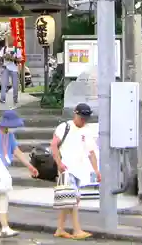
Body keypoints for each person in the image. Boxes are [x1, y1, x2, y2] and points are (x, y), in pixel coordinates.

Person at [0, 110, 39, 238]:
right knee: (2, 195)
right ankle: (5, 227)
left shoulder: (9, 135)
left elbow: (16, 151)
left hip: (3, 168)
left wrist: (29, 166)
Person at [50, 103, 101, 240]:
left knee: (70, 200)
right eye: (81, 117)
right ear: (75, 114)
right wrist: (59, 163)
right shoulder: (65, 127)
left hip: (79, 169)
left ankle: (60, 229)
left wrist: (96, 170)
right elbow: (54, 144)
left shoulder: (87, 130)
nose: (83, 120)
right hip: (66, 168)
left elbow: (91, 152)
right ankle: (77, 230)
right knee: (73, 199)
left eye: (86, 118)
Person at [0, 35, 22, 105]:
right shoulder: (4, 49)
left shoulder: (16, 49)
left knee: (15, 85)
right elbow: (0, 57)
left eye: (11, 40)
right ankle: (2, 99)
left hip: (14, 69)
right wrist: (4, 57)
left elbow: (20, 59)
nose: (10, 41)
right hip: (6, 68)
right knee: (4, 84)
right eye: (9, 40)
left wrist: (13, 58)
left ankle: (15, 99)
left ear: (13, 41)